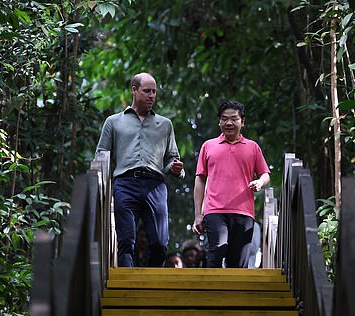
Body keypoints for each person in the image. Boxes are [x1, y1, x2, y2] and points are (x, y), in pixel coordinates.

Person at [96, 72, 185, 267]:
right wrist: (101, 185)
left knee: (160, 242)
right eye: (147, 91)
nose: (152, 95)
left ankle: (154, 285)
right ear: (134, 91)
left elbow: (172, 158)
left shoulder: (165, 124)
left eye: (154, 91)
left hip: (155, 185)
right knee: (126, 240)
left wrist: (176, 168)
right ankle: (127, 284)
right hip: (125, 184)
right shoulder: (114, 122)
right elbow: (101, 155)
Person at [192, 100, 270, 268]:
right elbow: (200, 180)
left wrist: (260, 182)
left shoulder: (253, 147)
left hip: (244, 212)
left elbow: (265, 174)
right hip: (215, 210)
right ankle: (211, 292)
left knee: (238, 261)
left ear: (243, 122)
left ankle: (233, 294)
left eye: (234, 119)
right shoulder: (208, 146)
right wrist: (198, 214)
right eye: (224, 119)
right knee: (217, 250)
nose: (228, 123)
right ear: (219, 121)